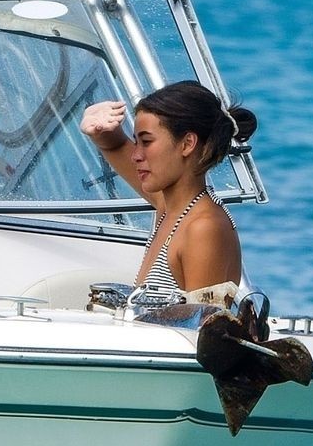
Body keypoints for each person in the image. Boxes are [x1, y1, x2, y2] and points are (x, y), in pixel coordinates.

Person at [79, 80, 259, 297]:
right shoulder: (172, 208)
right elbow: (116, 146)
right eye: (136, 142)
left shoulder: (203, 228)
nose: (136, 155)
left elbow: (204, 317)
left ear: (187, 144)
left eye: (146, 142)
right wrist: (100, 130)